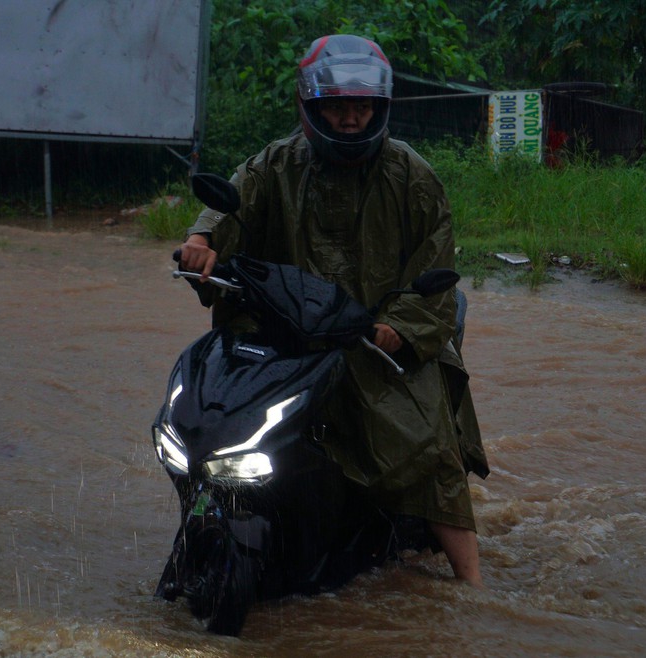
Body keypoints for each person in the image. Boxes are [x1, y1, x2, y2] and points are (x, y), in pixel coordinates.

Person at [177, 34, 489, 586]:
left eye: (360, 106)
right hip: (284, 336)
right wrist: (200, 243)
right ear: (312, 107)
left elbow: (435, 281)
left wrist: (398, 326)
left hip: (375, 344)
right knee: (210, 420)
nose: (350, 119)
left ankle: (474, 586)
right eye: (339, 107)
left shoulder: (413, 178)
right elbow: (223, 213)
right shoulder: (274, 165)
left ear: (378, 108)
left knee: (428, 448)